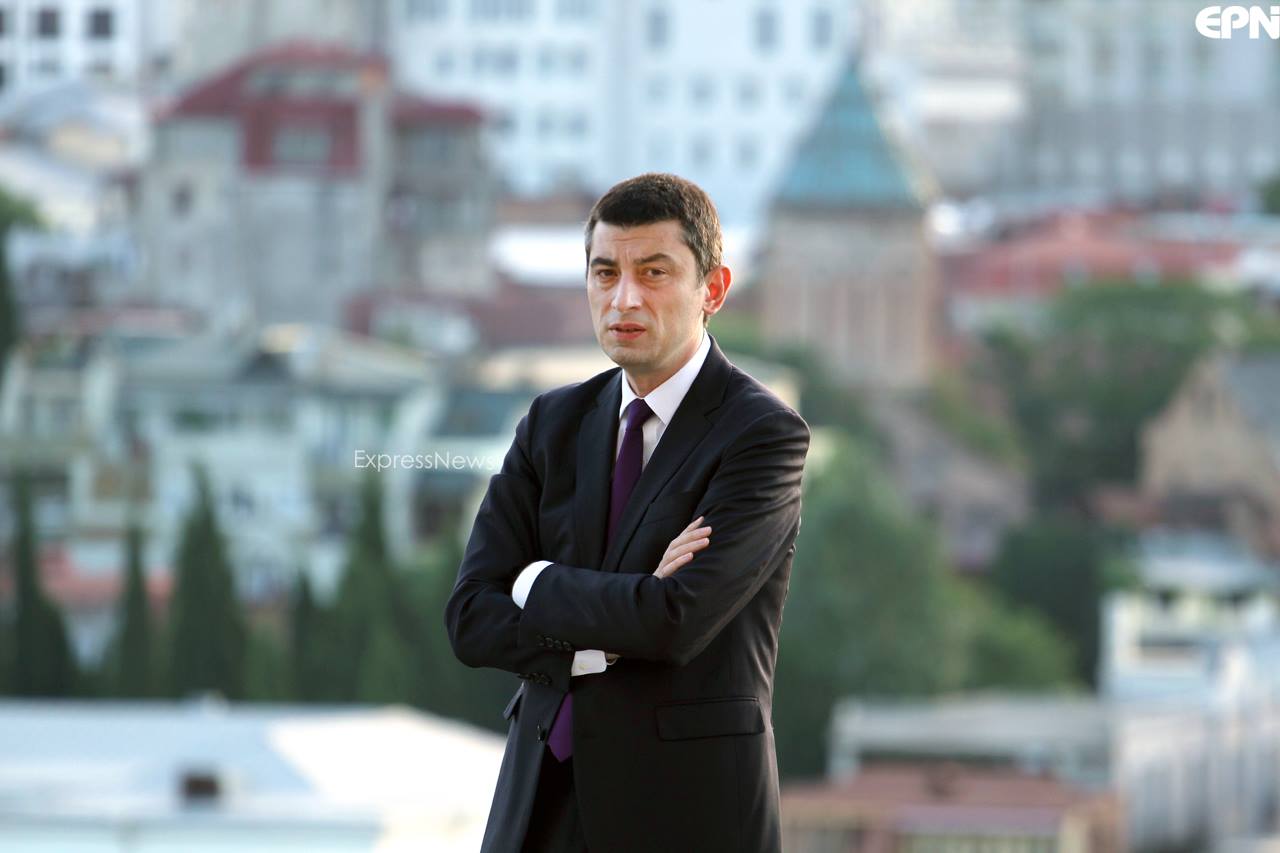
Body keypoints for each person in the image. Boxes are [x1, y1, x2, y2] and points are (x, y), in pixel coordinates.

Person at [445, 172, 810, 853]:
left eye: (654, 272)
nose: (624, 298)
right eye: (605, 273)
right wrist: (615, 626)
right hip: (539, 803)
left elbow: (676, 621)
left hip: (684, 813)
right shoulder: (551, 423)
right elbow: (469, 618)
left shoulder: (761, 434)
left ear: (714, 289)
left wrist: (535, 581)